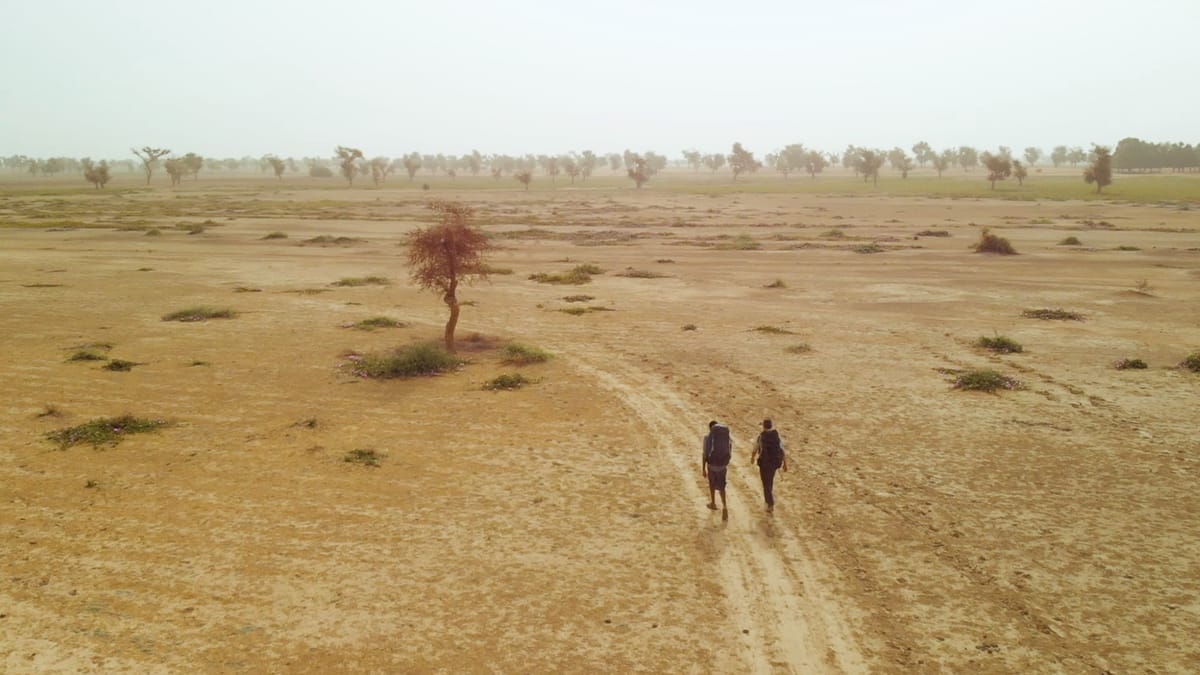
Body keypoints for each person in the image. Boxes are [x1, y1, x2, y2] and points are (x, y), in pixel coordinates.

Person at [750, 418, 788, 513]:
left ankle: (770, 503)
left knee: (765, 484)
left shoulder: (761, 437)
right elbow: (782, 450)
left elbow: (755, 449)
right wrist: (785, 464)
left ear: (763, 426)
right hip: (774, 463)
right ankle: (768, 500)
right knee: (770, 481)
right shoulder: (776, 435)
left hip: (764, 463)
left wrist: (752, 458)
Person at [701, 420, 731, 520]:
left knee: (712, 484)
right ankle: (725, 506)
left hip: (712, 465)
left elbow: (705, 454)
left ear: (710, 429)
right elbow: (729, 449)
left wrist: (703, 468)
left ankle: (713, 503)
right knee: (722, 487)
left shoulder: (707, 437)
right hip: (722, 466)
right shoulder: (726, 436)